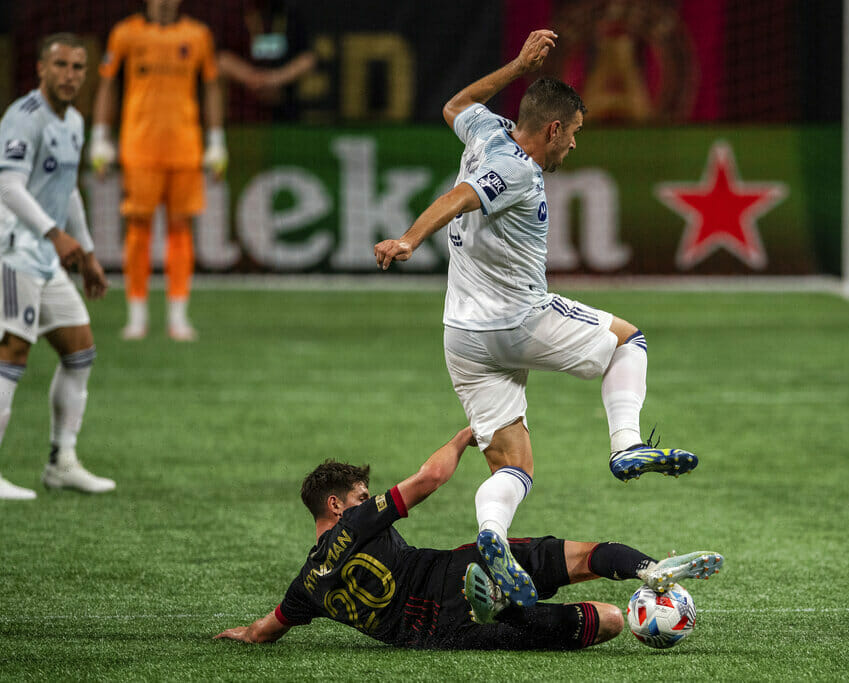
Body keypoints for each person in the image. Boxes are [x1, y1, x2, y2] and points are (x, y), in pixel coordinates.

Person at [373, 29, 697, 608]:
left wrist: (519, 66)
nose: (573, 146)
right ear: (553, 129)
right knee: (628, 341)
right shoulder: (517, 168)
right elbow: (464, 196)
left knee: (512, 463)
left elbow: (455, 106)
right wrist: (410, 238)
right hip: (518, 319)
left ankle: (492, 539)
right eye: (573, 134)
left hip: (463, 337)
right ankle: (625, 444)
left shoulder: (488, 130)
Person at [213, 427, 723, 649]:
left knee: (609, 621)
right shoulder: (354, 525)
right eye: (360, 494)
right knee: (588, 556)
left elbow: (265, 629)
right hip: (455, 572)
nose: (366, 500)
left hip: (444, 635)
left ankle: (500, 606)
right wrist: (467, 433)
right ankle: (647, 569)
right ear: (336, 505)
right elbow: (430, 478)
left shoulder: (306, 587)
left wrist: (238, 634)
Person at [0, 33, 113, 500]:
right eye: (61, 65)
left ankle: (61, 462)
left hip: (46, 256)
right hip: (11, 251)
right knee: (11, 353)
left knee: (79, 349)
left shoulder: (75, 122)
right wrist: (54, 234)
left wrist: (85, 252)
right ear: (41, 69)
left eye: (78, 67)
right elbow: (8, 186)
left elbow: (66, 190)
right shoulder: (23, 118)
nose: (70, 75)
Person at [90, 0, 227, 341]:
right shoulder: (125, 33)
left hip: (185, 147)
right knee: (138, 229)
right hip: (139, 147)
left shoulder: (197, 35)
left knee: (181, 230)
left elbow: (210, 86)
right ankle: (136, 316)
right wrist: (99, 137)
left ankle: (178, 317)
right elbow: (108, 83)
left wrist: (216, 140)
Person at [216, 0, 316, 123]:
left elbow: (307, 59)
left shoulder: (289, 12)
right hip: (243, 114)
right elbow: (220, 58)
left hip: (285, 110)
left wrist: (274, 79)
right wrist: (252, 78)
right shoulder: (235, 11)